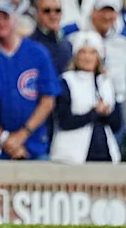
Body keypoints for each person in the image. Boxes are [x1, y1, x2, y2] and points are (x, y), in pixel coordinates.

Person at [0, 0, 58, 160]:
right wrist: (4, 138)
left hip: (34, 143)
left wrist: (23, 134)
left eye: (5, 17)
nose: (1, 23)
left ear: (15, 19)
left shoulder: (37, 52)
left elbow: (48, 100)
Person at [50, 32, 122, 164]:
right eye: (83, 52)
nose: (87, 57)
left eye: (92, 52)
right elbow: (64, 121)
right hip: (71, 155)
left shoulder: (106, 82)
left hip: (105, 152)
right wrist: (94, 113)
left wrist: (106, 113)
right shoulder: (67, 81)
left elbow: (116, 124)